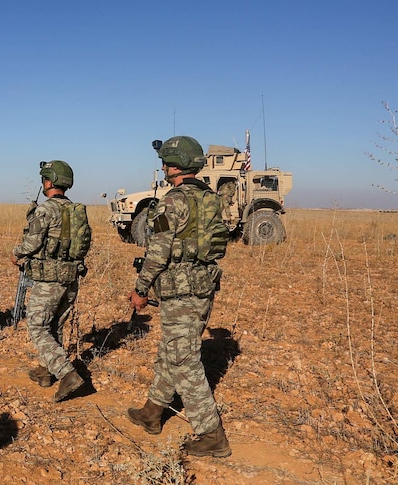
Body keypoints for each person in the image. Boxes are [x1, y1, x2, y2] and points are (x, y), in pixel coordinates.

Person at [126, 135, 232, 458]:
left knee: (184, 358)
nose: (162, 166)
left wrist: (141, 289)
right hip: (203, 286)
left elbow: (157, 253)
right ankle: (152, 412)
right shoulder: (210, 199)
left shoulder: (171, 202)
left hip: (180, 289)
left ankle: (211, 433)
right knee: (171, 349)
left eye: (165, 161)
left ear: (173, 166)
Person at [12, 160, 90, 403]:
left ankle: (67, 374)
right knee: (55, 325)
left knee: (37, 326)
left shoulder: (45, 210)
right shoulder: (78, 210)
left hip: (49, 279)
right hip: (71, 277)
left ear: (48, 182)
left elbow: (32, 243)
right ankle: (48, 371)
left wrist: (17, 253)